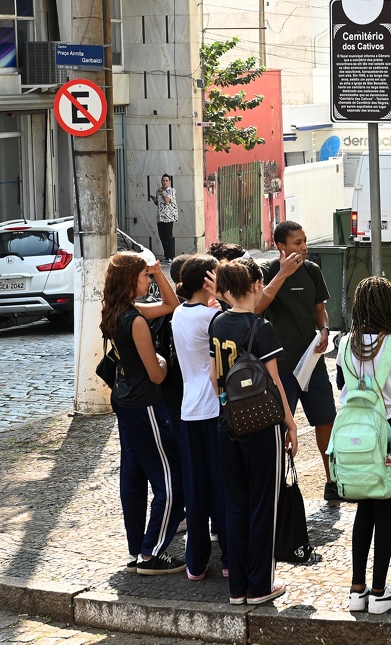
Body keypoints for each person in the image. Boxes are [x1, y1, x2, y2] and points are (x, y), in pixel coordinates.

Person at [211, 257, 298, 606]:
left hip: (226, 421)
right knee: (264, 504)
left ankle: (238, 589)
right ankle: (261, 585)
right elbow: (274, 382)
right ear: (256, 285)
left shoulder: (216, 324)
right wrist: (290, 423)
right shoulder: (261, 327)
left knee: (235, 504)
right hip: (262, 424)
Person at [339, 277, 391, 615]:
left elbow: (342, 384)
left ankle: (356, 590)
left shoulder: (345, 343)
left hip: (354, 435)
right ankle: (378, 592)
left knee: (364, 509)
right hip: (390, 431)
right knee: (386, 509)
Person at [99, 252, 185, 575]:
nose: (149, 281)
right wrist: (162, 359)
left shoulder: (116, 311)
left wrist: (158, 271)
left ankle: (137, 547)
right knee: (172, 478)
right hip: (145, 404)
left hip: (124, 401)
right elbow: (158, 374)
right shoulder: (135, 321)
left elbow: (171, 305)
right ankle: (151, 552)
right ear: (129, 279)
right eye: (145, 276)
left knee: (133, 476)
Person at [256, 221, 335, 500]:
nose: (304, 247)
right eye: (297, 243)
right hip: (279, 367)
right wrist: (283, 274)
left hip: (312, 362)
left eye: (304, 241)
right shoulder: (266, 272)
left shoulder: (313, 271)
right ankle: (277, 485)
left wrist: (325, 329)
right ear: (281, 246)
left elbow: (320, 311)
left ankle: (332, 481)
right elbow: (257, 307)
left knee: (326, 420)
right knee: (279, 427)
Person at [171, 255, 228, 582]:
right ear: (208, 281)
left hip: (188, 408)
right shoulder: (214, 317)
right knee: (221, 487)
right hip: (213, 409)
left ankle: (195, 563)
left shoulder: (179, 313)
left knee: (196, 490)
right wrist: (220, 298)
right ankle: (229, 560)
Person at [152, 174, 178, 263]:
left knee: (168, 237)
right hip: (160, 217)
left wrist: (162, 192)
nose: (164, 182)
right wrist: (155, 201)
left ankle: (171, 257)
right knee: (162, 237)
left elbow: (167, 200)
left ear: (169, 182)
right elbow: (159, 204)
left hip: (169, 217)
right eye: (163, 180)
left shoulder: (171, 190)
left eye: (166, 180)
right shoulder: (158, 191)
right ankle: (166, 256)